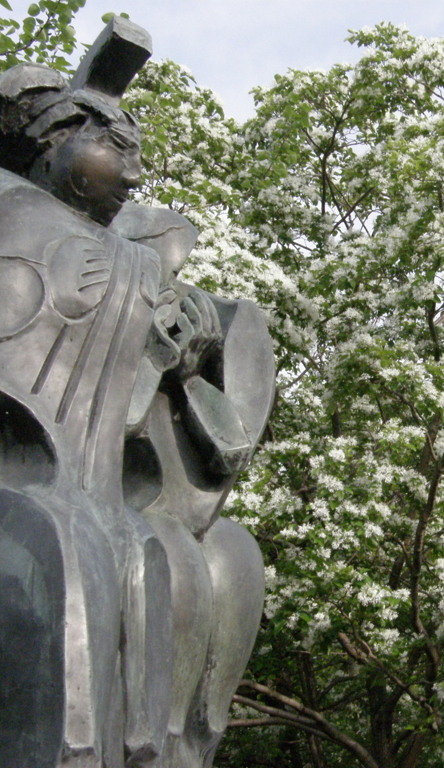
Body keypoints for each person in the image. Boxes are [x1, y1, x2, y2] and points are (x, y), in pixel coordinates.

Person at [0, 19, 273, 768]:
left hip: (104, 496)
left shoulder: (137, 263)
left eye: (139, 154)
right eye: (117, 147)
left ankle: (166, 749)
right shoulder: (15, 219)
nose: (135, 174)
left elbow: (153, 404)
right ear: (50, 140)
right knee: (61, 544)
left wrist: (181, 357)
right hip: (33, 493)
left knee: (197, 560)